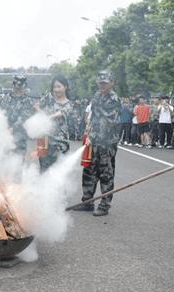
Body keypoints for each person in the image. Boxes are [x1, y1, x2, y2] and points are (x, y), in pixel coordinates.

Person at [75, 70, 121, 216]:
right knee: (89, 171)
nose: (102, 85)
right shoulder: (96, 96)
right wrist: (88, 132)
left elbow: (108, 122)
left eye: (105, 83)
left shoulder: (113, 99)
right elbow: (93, 117)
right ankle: (87, 201)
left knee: (106, 174)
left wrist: (92, 136)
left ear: (111, 83)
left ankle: (104, 204)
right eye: (101, 83)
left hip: (107, 143)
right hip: (94, 140)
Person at [34, 75, 74, 171]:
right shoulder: (49, 97)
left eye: (59, 86)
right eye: (54, 87)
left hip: (60, 144)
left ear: (66, 87)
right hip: (43, 140)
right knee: (43, 170)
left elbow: (59, 114)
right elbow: (36, 106)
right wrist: (42, 114)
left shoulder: (69, 104)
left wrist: (47, 118)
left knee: (58, 171)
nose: (56, 89)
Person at [1, 75, 35, 158]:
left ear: (24, 86)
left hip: (19, 137)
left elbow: (24, 117)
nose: (17, 87)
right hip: (4, 136)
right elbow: (1, 113)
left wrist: (13, 128)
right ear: (13, 84)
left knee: (17, 164)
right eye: (15, 84)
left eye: (20, 85)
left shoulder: (28, 101)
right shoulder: (5, 98)